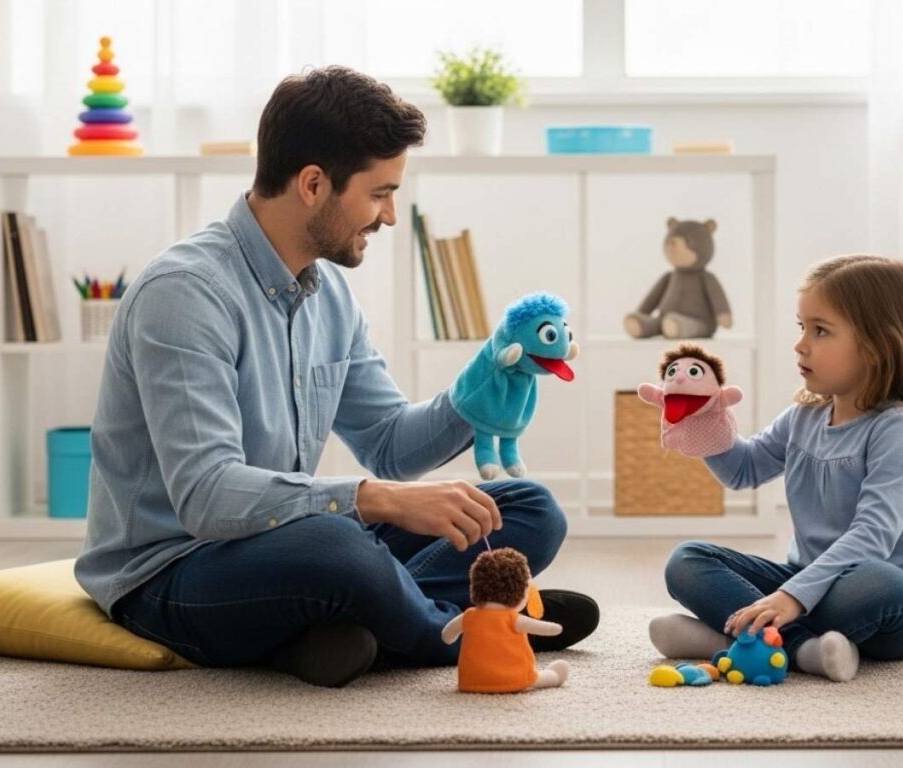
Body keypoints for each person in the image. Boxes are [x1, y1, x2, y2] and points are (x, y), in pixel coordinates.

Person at [75, 65, 598, 688]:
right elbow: (207, 496)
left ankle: (353, 634)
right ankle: (461, 630)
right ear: (314, 184)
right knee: (336, 547)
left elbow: (391, 445)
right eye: (379, 193)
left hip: (284, 543)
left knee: (524, 508)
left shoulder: (330, 297)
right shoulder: (185, 294)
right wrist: (371, 500)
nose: (391, 215)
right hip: (171, 570)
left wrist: (489, 376)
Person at [650, 255, 903, 682]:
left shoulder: (898, 428)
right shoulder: (806, 415)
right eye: (802, 327)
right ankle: (798, 649)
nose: (800, 344)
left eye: (821, 330)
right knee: (686, 560)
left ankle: (726, 639)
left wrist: (793, 596)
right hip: (809, 581)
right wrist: (705, 424)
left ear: (877, 345)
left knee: (877, 583)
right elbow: (744, 469)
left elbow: (874, 535)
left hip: (899, 602)